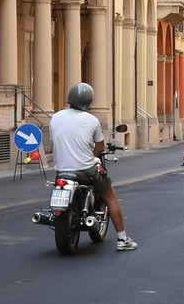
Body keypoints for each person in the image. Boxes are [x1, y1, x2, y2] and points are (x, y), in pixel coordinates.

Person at [49, 83, 137, 251]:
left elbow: (56, 139)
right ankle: (122, 239)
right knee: (110, 196)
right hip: (85, 168)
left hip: (62, 169)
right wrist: (94, 154)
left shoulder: (56, 117)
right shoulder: (92, 120)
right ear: (88, 102)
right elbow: (100, 147)